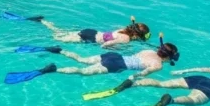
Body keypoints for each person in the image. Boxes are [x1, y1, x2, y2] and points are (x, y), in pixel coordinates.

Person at [45, 36, 179, 77]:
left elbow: (135, 57)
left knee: (82, 60)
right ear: (168, 57)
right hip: (117, 65)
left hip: (114, 56)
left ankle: (61, 51)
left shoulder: (147, 51)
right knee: (83, 72)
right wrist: (133, 79)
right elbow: (142, 73)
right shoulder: (158, 65)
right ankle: (54, 70)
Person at [39, 16, 150, 46]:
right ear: (136, 34)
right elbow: (105, 45)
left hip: (93, 32)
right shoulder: (125, 39)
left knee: (60, 32)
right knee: (56, 38)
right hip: (90, 38)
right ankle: (41, 37)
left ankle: (45, 23)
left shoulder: (123, 30)